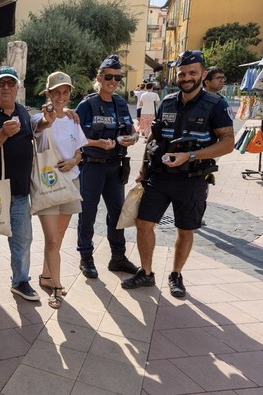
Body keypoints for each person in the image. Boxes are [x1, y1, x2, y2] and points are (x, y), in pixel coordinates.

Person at [122, 50, 234, 297]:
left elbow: (227, 143)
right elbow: (154, 137)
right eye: (182, 73)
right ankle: (147, 273)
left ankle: (176, 274)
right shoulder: (167, 101)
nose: (186, 77)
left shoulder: (216, 105)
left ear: (203, 75)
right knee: (143, 223)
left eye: (192, 73)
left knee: (185, 229)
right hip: (159, 176)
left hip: (192, 180)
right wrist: (143, 168)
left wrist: (190, 156)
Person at [0, 66, 39, 302]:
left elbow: (42, 128)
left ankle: (20, 281)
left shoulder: (23, 112)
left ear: (17, 88)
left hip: (20, 192)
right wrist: (3, 133)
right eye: (1, 84)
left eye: (10, 84)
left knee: (22, 240)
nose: (5, 88)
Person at [75, 54, 141, 279]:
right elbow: (74, 137)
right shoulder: (87, 105)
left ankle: (118, 258)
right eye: (108, 77)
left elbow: (132, 130)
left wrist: (132, 138)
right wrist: (97, 143)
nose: (112, 81)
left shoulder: (120, 103)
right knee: (88, 214)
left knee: (117, 213)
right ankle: (86, 258)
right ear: (99, 77)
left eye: (117, 77)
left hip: (115, 167)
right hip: (92, 167)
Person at [31, 71, 88, 309]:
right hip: (47, 184)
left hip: (71, 182)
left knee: (59, 237)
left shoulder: (73, 120)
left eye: (65, 93)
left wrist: (74, 161)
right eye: (57, 93)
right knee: (52, 239)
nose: (61, 97)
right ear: (48, 94)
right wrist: (49, 119)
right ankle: (55, 287)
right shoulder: (39, 118)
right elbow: (40, 128)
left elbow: (80, 150)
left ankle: (46, 276)